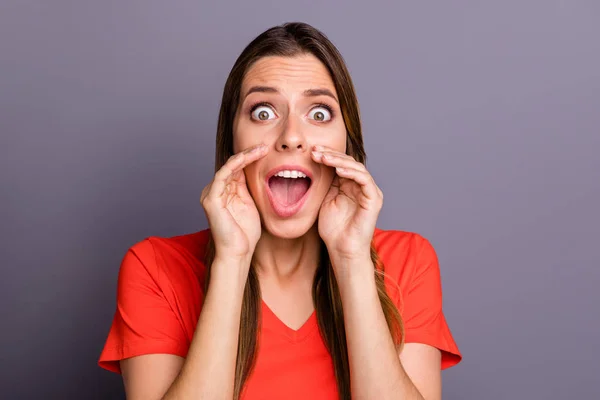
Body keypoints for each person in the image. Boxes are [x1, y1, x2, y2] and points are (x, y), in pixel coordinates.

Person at [98, 22, 462, 400]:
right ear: (232, 141)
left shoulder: (408, 262)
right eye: (263, 112)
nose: (290, 136)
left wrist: (351, 260)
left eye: (319, 113)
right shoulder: (155, 268)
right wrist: (232, 260)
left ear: (347, 144)